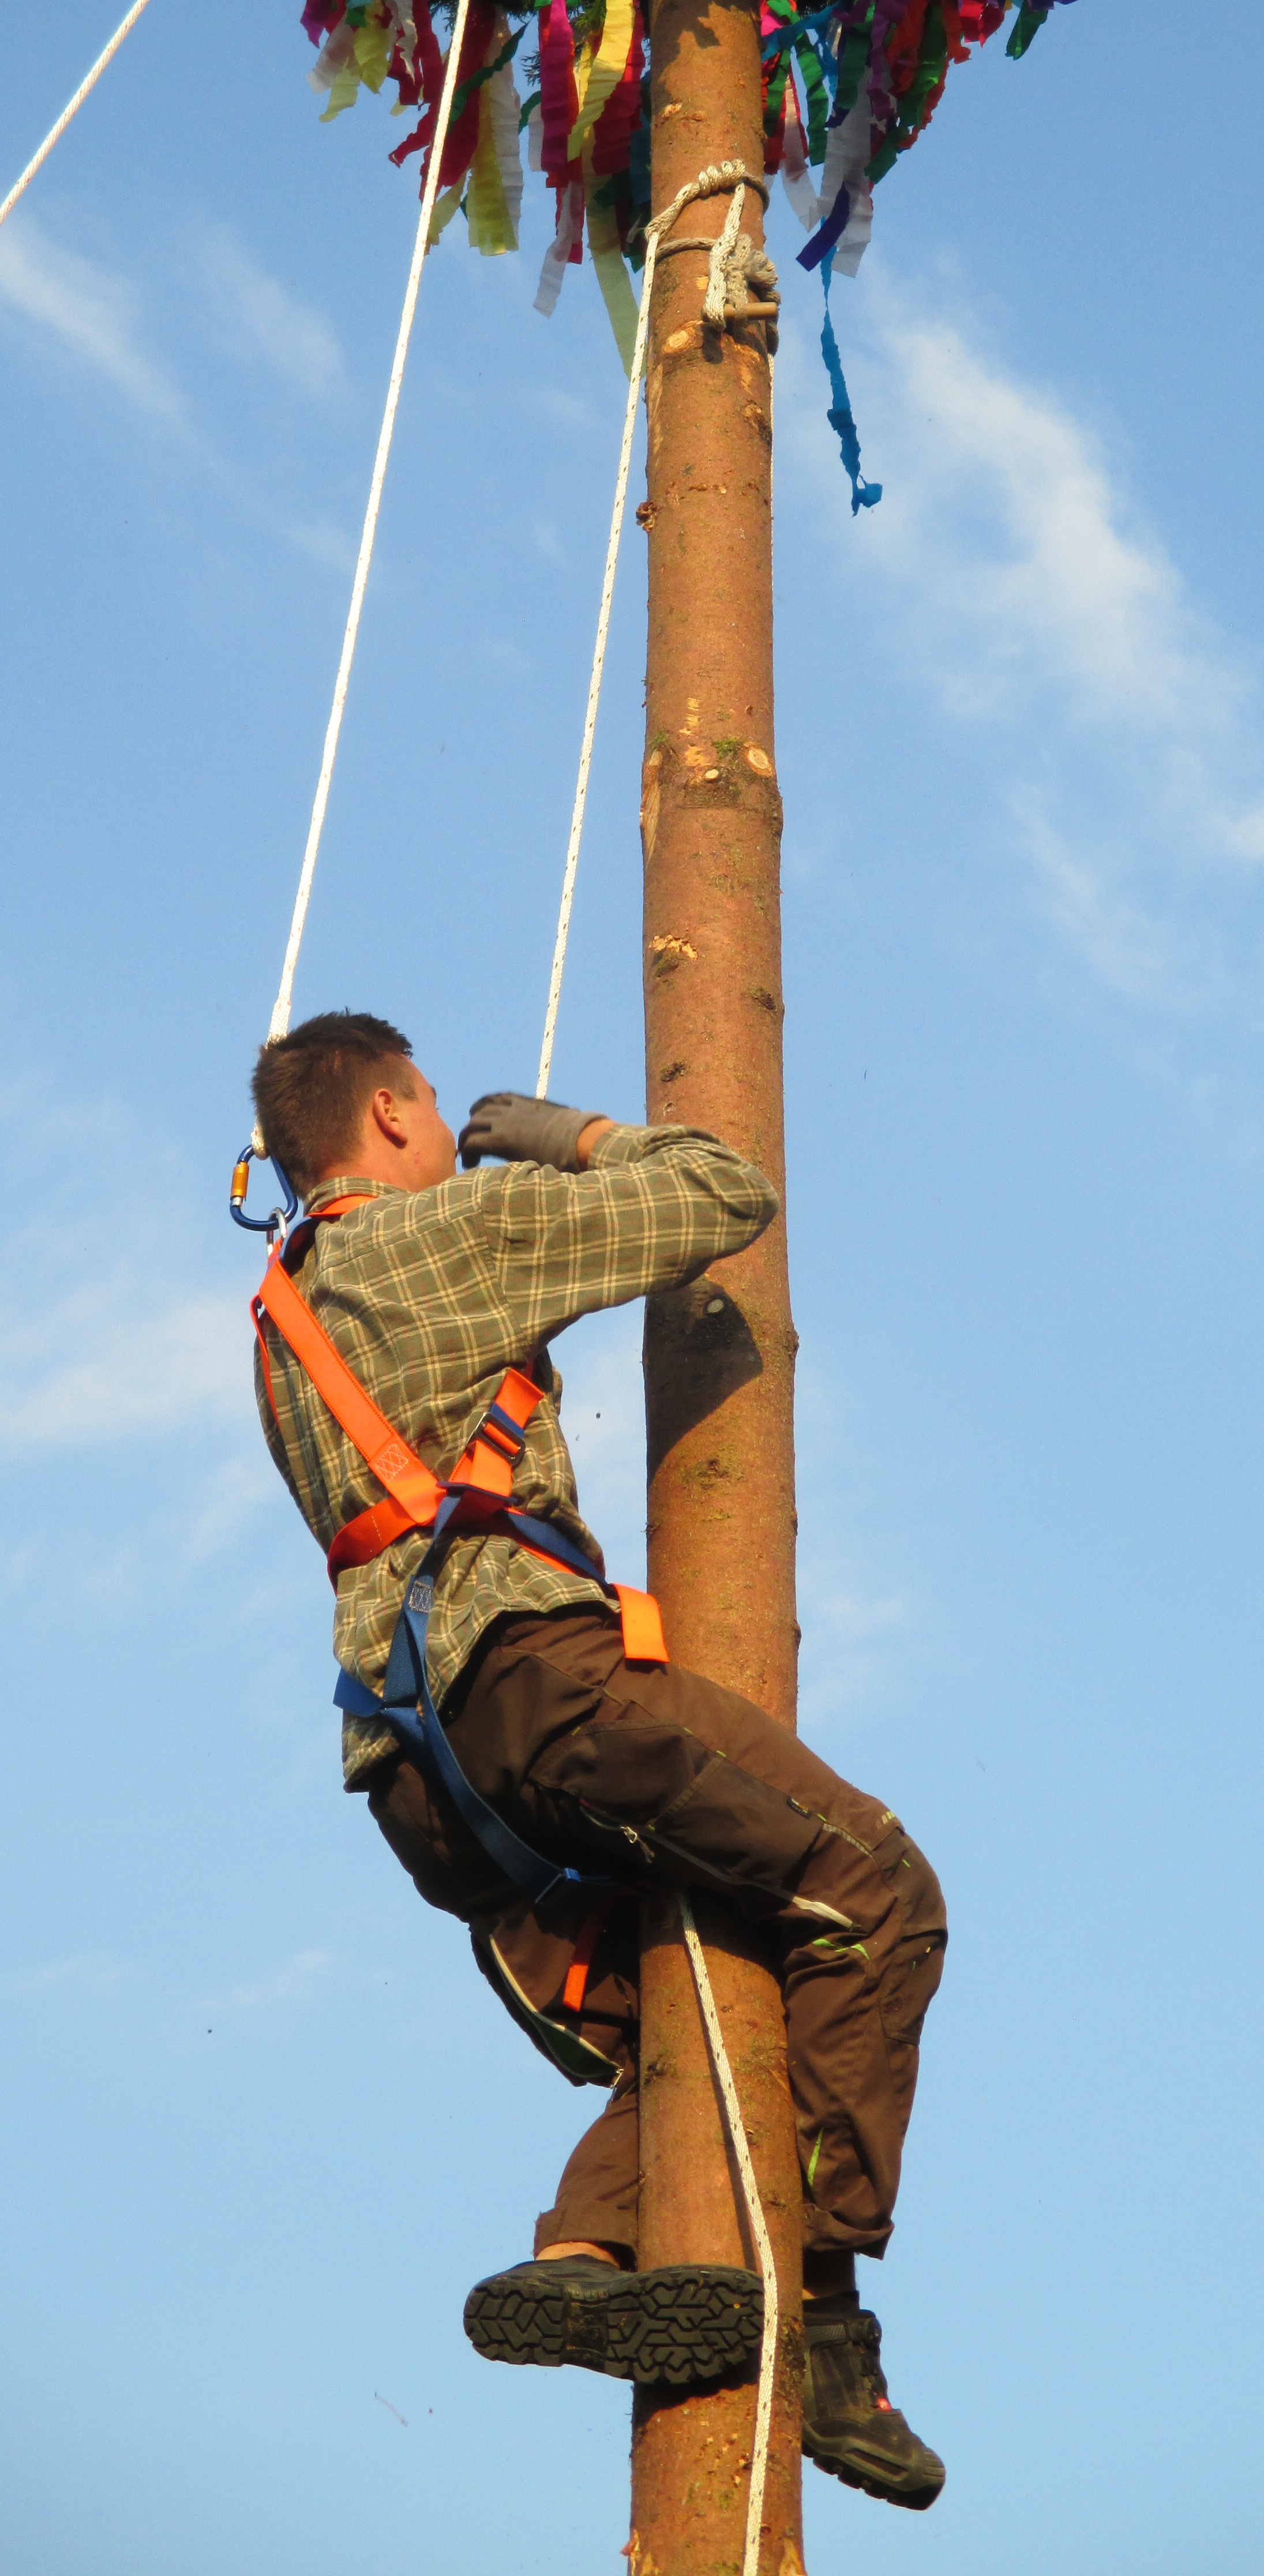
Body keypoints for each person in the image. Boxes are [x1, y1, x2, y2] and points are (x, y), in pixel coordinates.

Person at [250, 1009, 947, 2510]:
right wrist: (574, 1140)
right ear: (386, 1118)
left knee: (674, 2018)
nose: (447, 1132)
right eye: (431, 1109)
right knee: (871, 1887)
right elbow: (722, 1195)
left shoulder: (283, 1317)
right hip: (531, 1686)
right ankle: (823, 2308)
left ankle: (582, 2257)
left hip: (416, 1776)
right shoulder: (448, 1231)